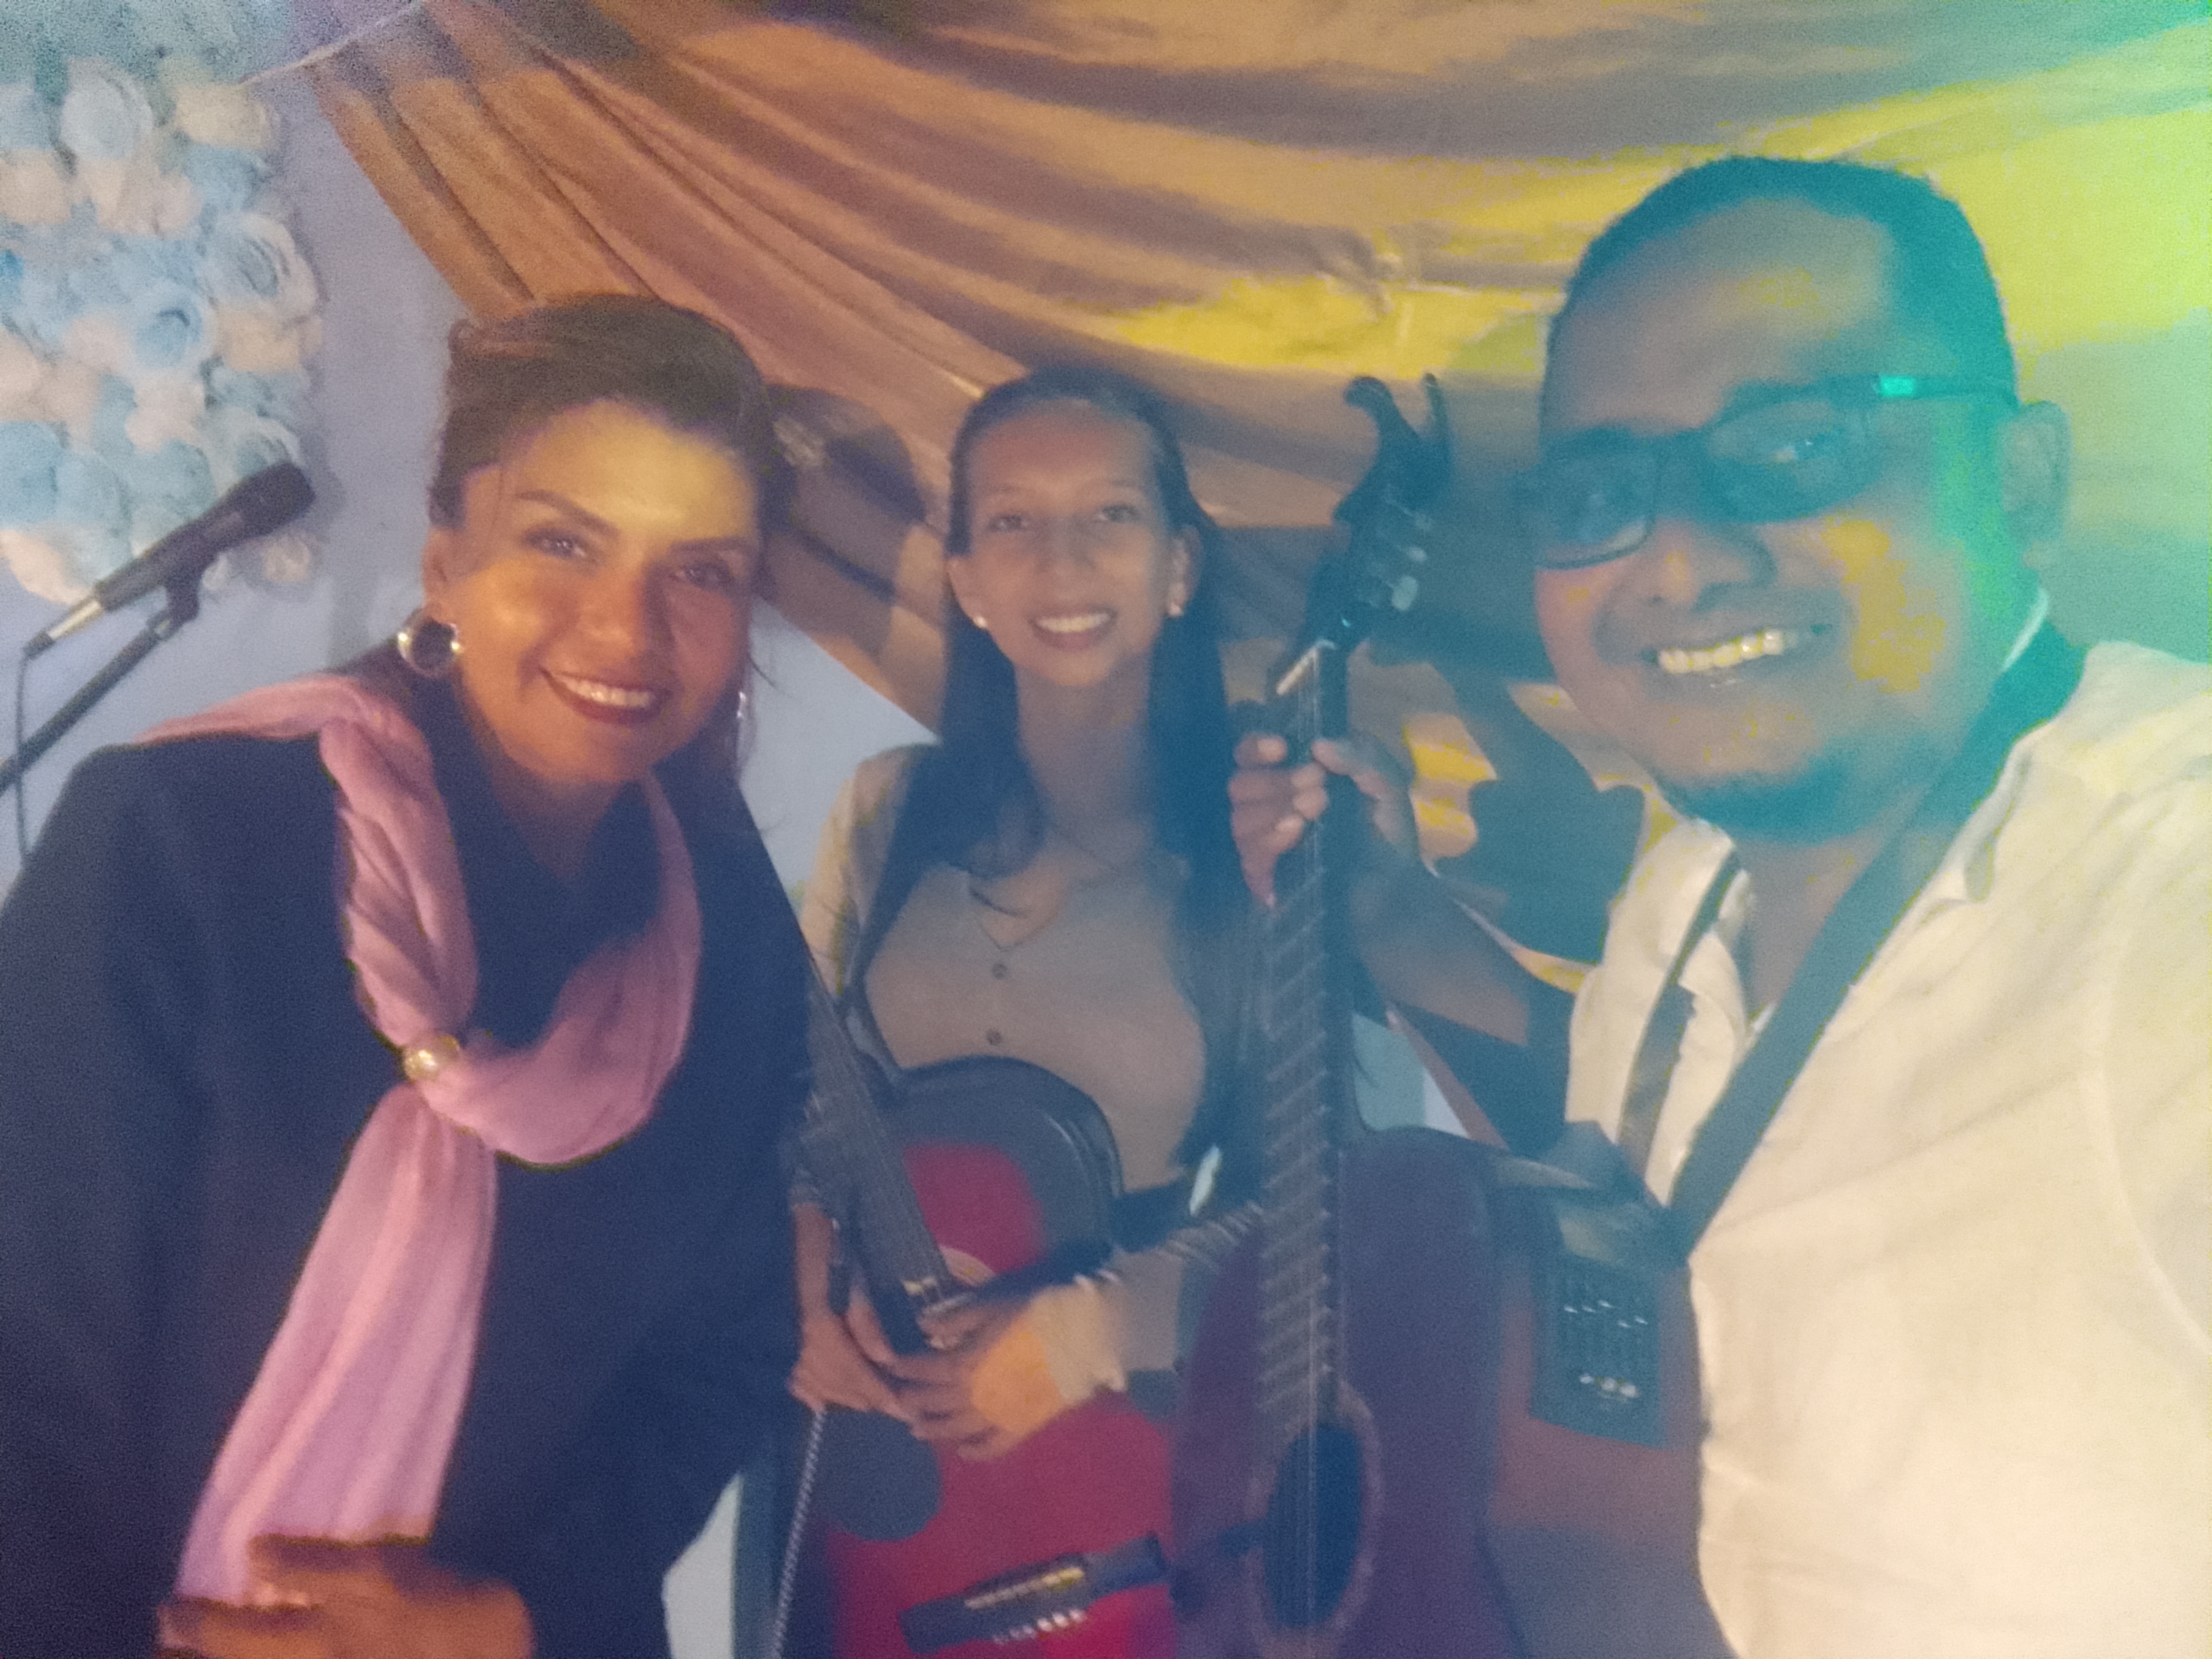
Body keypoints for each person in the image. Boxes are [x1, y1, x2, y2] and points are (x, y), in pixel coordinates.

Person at [1233, 156, 2209, 1657]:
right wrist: (1397, 922)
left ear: (2023, 480)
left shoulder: (2165, 893)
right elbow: (1652, 1208)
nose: (1680, 560)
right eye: (1601, 494)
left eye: (1798, 446)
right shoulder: (1683, 895)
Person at [0, 296, 810, 1659]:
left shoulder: (728, 942)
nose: (628, 626)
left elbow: (721, 1361)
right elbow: (21, 1364)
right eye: (563, 542)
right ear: (445, 567)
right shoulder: (184, 843)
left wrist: (511, 1616)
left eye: (702, 571)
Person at [785, 365, 1253, 1457]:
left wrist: (1086, 1337)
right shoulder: (885, 809)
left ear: (1180, 567)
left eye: (1111, 515)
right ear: (967, 582)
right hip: (865, 1445)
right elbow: (802, 1095)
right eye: (1012, 522)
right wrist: (797, 1286)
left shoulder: (1258, 846)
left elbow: (1332, 1216)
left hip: (1126, 1458)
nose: (1062, 561)